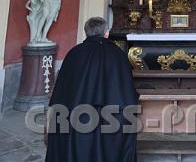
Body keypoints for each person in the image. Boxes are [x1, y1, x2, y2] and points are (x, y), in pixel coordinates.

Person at [46, 17, 139, 162]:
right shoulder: (119, 55)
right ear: (106, 33)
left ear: (86, 33)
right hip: (112, 119)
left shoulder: (74, 54)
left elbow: (62, 91)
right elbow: (126, 90)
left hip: (76, 119)